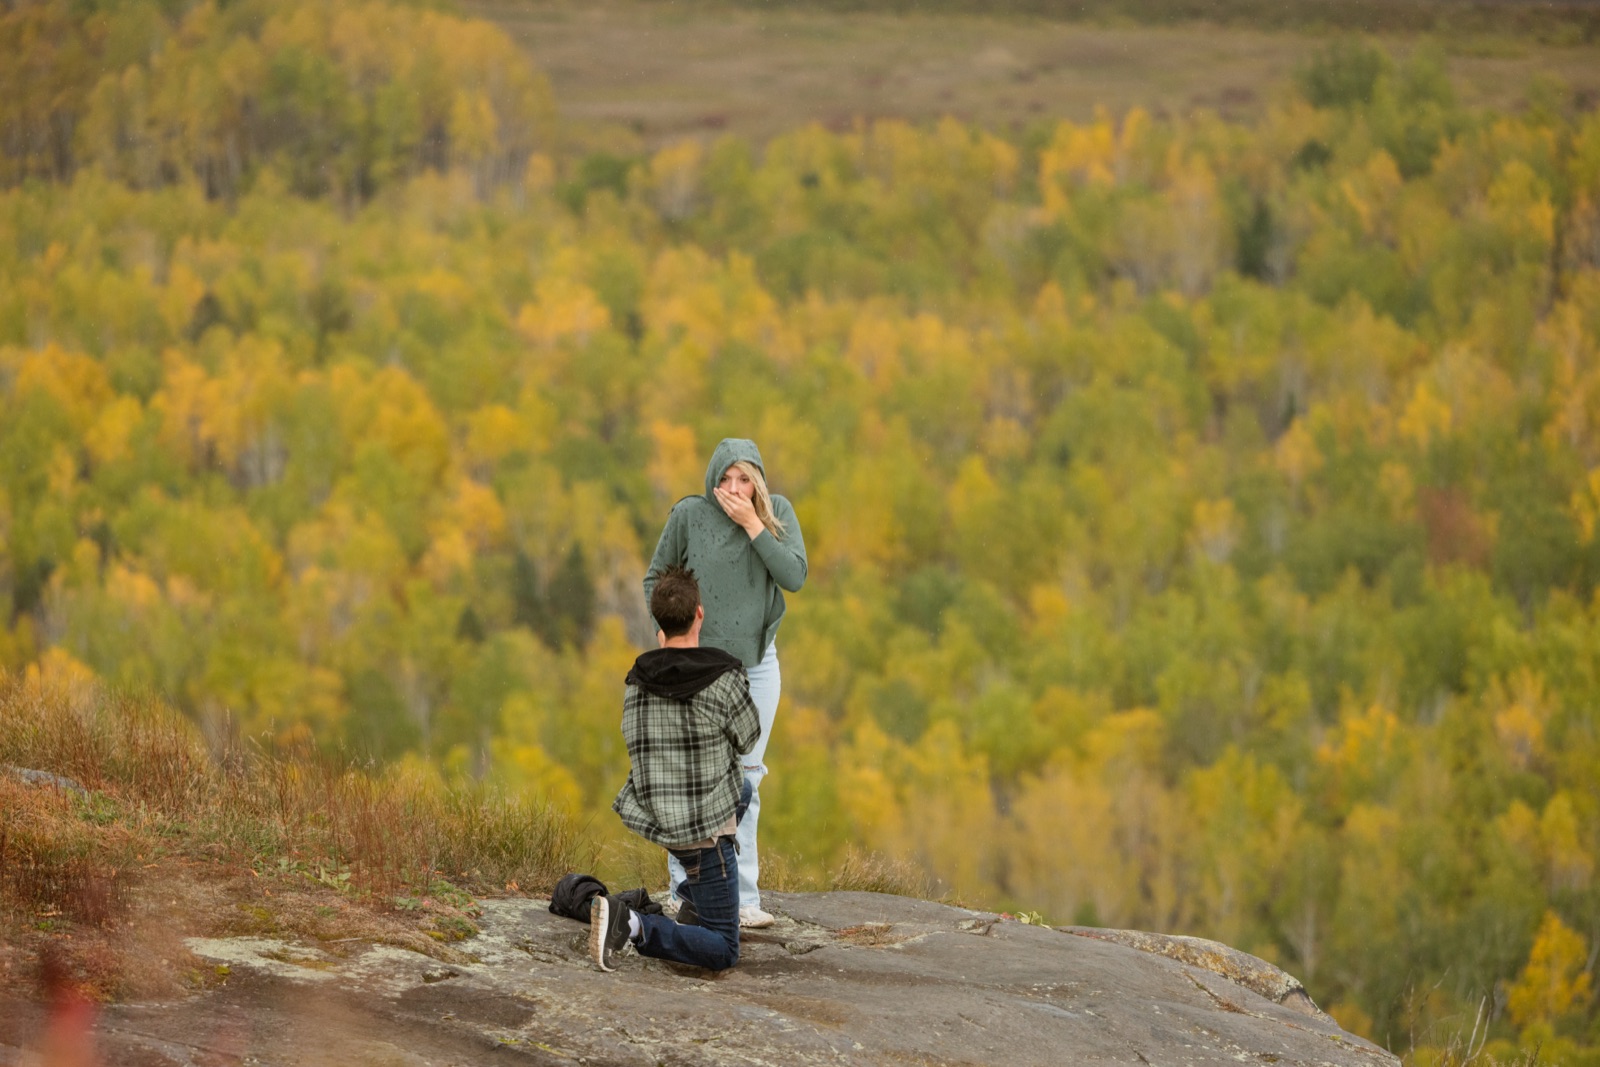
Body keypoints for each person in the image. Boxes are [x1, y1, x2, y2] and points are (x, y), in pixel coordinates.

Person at [643, 438, 806, 929]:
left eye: (744, 479)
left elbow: (794, 576)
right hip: (696, 665)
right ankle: (682, 892)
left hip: (756, 666)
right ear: (712, 477)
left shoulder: (776, 513)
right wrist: (671, 632)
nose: (733, 489)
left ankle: (743, 899)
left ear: (757, 480)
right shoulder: (690, 515)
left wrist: (753, 525)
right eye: (725, 479)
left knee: (745, 779)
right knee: (692, 779)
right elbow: (656, 579)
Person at [592, 565, 761, 972]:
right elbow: (749, 738)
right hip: (704, 833)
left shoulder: (637, 681)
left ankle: (689, 895)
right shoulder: (723, 677)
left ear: (658, 625)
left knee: (742, 790)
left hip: (659, 817)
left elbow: (634, 742)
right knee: (723, 949)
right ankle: (630, 924)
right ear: (699, 614)